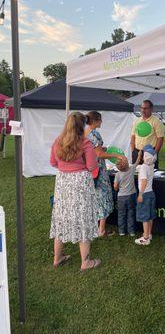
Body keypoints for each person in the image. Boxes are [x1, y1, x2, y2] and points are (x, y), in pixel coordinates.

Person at [50, 112, 100, 271]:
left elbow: (53, 162)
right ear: (82, 126)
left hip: (63, 182)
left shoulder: (58, 141)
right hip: (80, 183)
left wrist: (66, 168)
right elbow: (92, 166)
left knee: (61, 217)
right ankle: (85, 262)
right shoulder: (85, 143)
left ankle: (57, 258)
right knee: (83, 219)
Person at [85, 111, 126, 237]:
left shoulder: (85, 132)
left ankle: (94, 224)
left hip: (89, 168)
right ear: (96, 120)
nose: (101, 122)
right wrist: (116, 155)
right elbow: (99, 155)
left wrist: (101, 149)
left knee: (94, 196)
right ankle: (101, 230)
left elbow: (93, 150)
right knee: (103, 196)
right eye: (100, 120)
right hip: (98, 169)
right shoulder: (94, 133)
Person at [113, 151, 142, 236]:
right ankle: (131, 231)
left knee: (121, 214)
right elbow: (137, 162)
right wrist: (139, 155)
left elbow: (115, 187)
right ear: (127, 164)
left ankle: (121, 231)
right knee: (131, 213)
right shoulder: (132, 169)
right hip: (131, 195)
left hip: (121, 197)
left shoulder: (117, 175)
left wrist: (117, 187)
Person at [131, 100, 165, 169]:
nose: (143, 110)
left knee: (150, 174)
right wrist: (133, 150)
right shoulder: (137, 121)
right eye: (142, 108)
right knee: (136, 174)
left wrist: (154, 153)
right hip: (137, 152)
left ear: (151, 109)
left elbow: (160, 139)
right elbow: (133, 136)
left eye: (145, 108)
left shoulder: (156, 122)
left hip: (149, 153)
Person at [135, 145, 157, 246]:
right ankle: (149, 233)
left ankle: (145, 238)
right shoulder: (151, 165)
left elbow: (143, 181)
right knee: (150, 216)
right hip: (151, 193)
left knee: (144, 217)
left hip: (145, 194)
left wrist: (140, 194)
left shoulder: (144, 167)